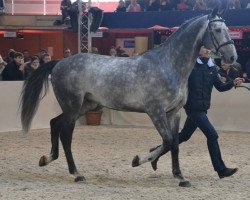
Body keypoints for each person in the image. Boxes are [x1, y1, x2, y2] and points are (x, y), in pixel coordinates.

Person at [152, 46, 243, 178]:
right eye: (204, 48)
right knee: (212, 135)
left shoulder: (212, 67)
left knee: (184, 136)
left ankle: (156, 152)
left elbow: (220, 87)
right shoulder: (190, 65)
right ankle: (221, 169)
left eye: (208, 48)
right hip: (193, 108)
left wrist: (233, 83)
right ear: (197, 49)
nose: (207, 50)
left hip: (202, 109)